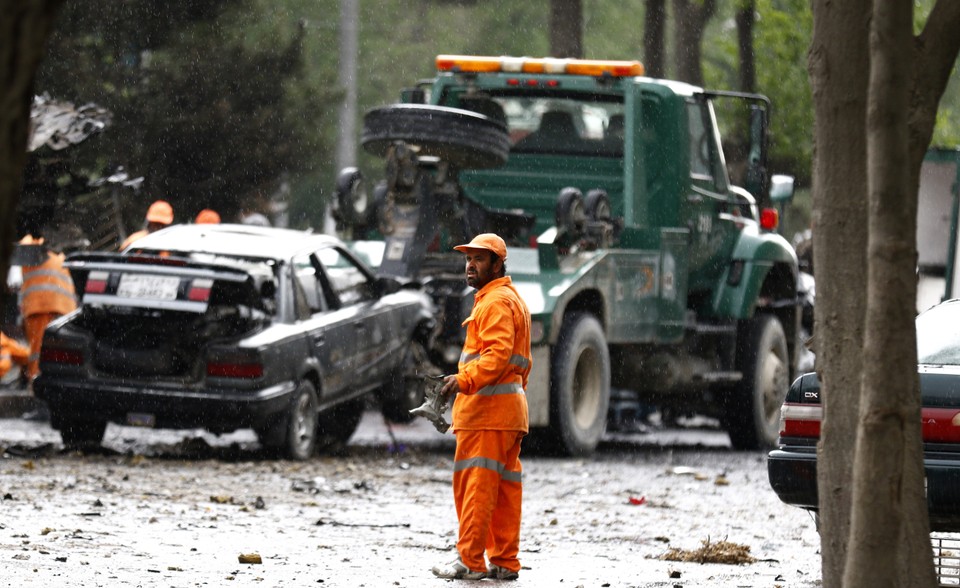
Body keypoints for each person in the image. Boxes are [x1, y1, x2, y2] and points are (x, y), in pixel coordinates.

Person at [432, 233, 531, 581]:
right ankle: (504, 561)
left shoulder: (494, 303)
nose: (470, 266)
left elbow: (497, 355)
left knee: (476, 488)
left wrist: (463, 380)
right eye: (468, 259)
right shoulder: (510, 299)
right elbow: (520, 364)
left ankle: (469, 561)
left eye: (479, 259)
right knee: (503, 492)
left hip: (487, 415)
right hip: (507, 414)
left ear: (498, 264)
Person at [17, 235, 77, 380]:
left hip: (41, 306)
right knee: (58, 351)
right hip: (64, 310)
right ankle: (57, 381)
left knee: (38, 350)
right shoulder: (60, 259)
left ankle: (36, 381)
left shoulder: (32, 254)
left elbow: (21, 248)